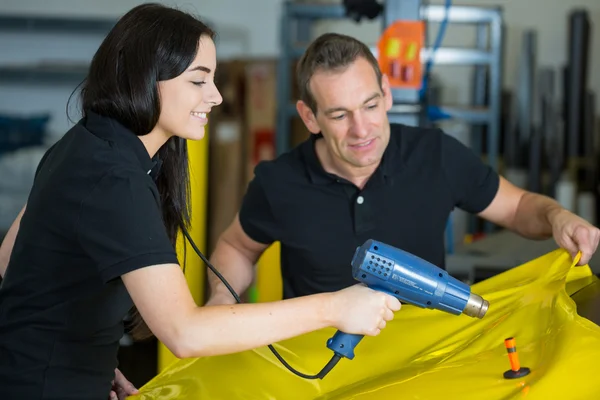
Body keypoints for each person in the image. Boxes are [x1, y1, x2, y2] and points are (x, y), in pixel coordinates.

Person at [0, 7, 401, 400]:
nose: (216, 96)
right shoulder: (114, 179)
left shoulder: (85, 143)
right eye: (198, 81)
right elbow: (185, 333)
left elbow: (11, 260)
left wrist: (88, 360)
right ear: (145, 80)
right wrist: (336, 307)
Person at [206, 32, 600, 305]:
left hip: (421, 362)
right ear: (310, 118)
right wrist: (223, 297)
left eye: (371, 106)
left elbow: (516, 208)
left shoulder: (435, 155)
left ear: (387, 94)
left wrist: (557, 216)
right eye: (340, 115)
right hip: (317, 373)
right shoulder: (280, 183)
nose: (362, 130)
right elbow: (237, 247)